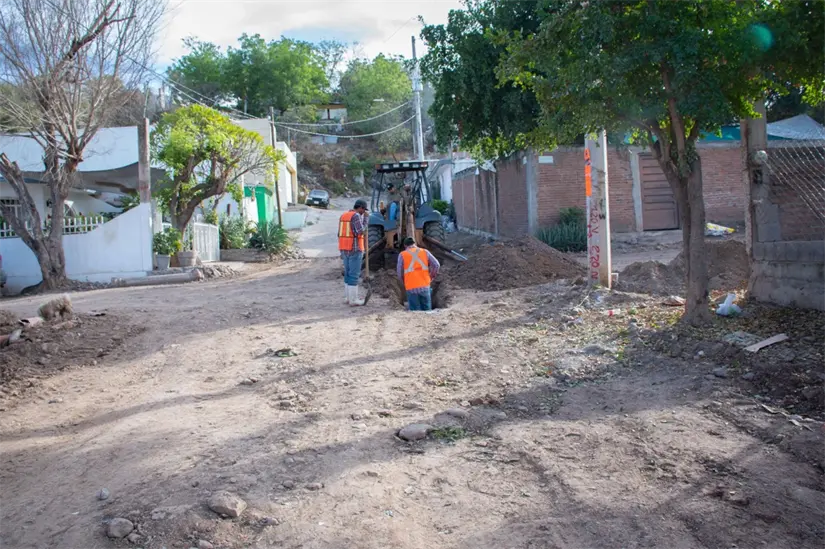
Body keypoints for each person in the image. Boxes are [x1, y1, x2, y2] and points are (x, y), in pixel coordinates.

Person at [397, 237, 440, 311]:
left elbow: (399, 272)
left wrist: (404, 282)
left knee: (415, 313)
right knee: (427, 311)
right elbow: (436, 265)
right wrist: (431, 276)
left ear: (405, 245)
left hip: (411, 287)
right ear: (415, 244)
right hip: (425, 286)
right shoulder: (425, 252)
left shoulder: (402, 255)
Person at [339, 199, 368, 306]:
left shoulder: (343, 216)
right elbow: (361, 231)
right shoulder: (355, 216)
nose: (363, 212)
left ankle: (347, 298)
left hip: (344, 249)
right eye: (363, 210)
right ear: (360, 207)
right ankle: (353, 300)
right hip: (355, 249)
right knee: (354, 275)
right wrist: (366, 219)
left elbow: (340, 234)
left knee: (347, 273)